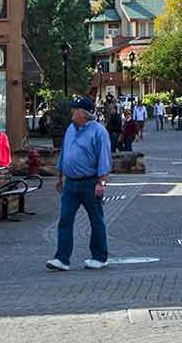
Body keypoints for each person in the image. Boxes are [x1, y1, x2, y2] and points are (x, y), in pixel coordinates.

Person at [46, 97, 112, 272]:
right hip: (70, 183)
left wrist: (101, 183)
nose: (72, 112)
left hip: (90, 183)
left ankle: (100, 257)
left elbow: (105, 160)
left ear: (84, 113)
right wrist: (60, 177)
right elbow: (64, 154)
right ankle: (62, 259)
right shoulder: (70, 129)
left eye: (75, 109)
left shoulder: (99, 132)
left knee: (96, 220)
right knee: (65, 220)